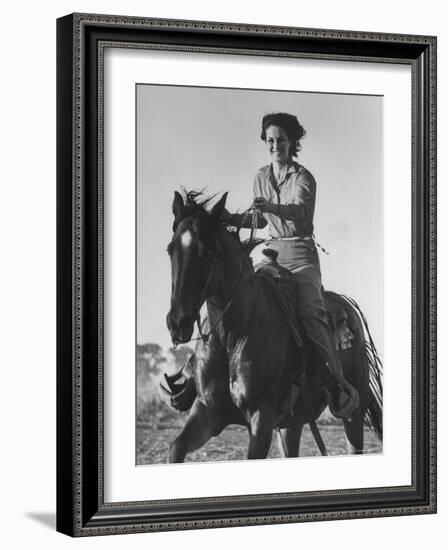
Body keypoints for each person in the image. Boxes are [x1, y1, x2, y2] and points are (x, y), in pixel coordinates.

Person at [225, 112, 359, 419]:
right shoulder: (259, 177)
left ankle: (338, 383)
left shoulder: (303, 177)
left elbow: (299, 212)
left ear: (292, 142)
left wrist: (270, 206)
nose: (275, 146)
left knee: (311, 312)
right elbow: (260, 220)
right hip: (271, 253)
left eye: (281, 140)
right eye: (270, 140)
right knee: (241, 295)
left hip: (301, 257)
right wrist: (232, 219)